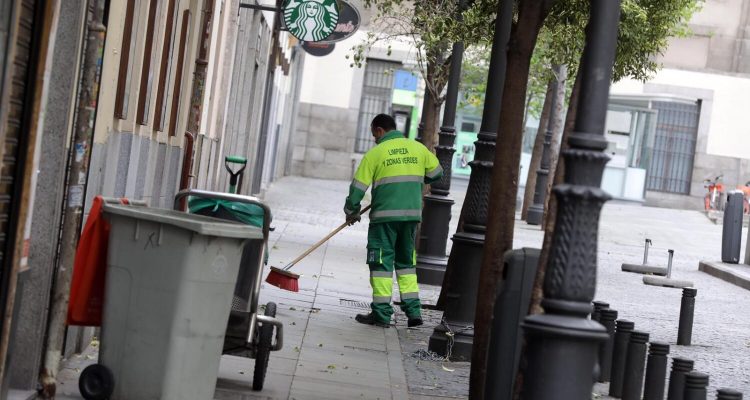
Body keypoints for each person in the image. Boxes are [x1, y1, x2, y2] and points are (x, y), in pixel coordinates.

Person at [344, 114, 443, 328]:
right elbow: (437, 173)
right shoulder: (417, 148)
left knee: (381, 265)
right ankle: (414, 312)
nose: (374, 139)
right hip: (410, 217)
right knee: (406, 264)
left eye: (374, 135)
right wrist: (415, 182)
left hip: (383, 219)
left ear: (379, 130)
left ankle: (381, 314)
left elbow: (358, 189)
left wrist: (352, 211)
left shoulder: (375, 153)